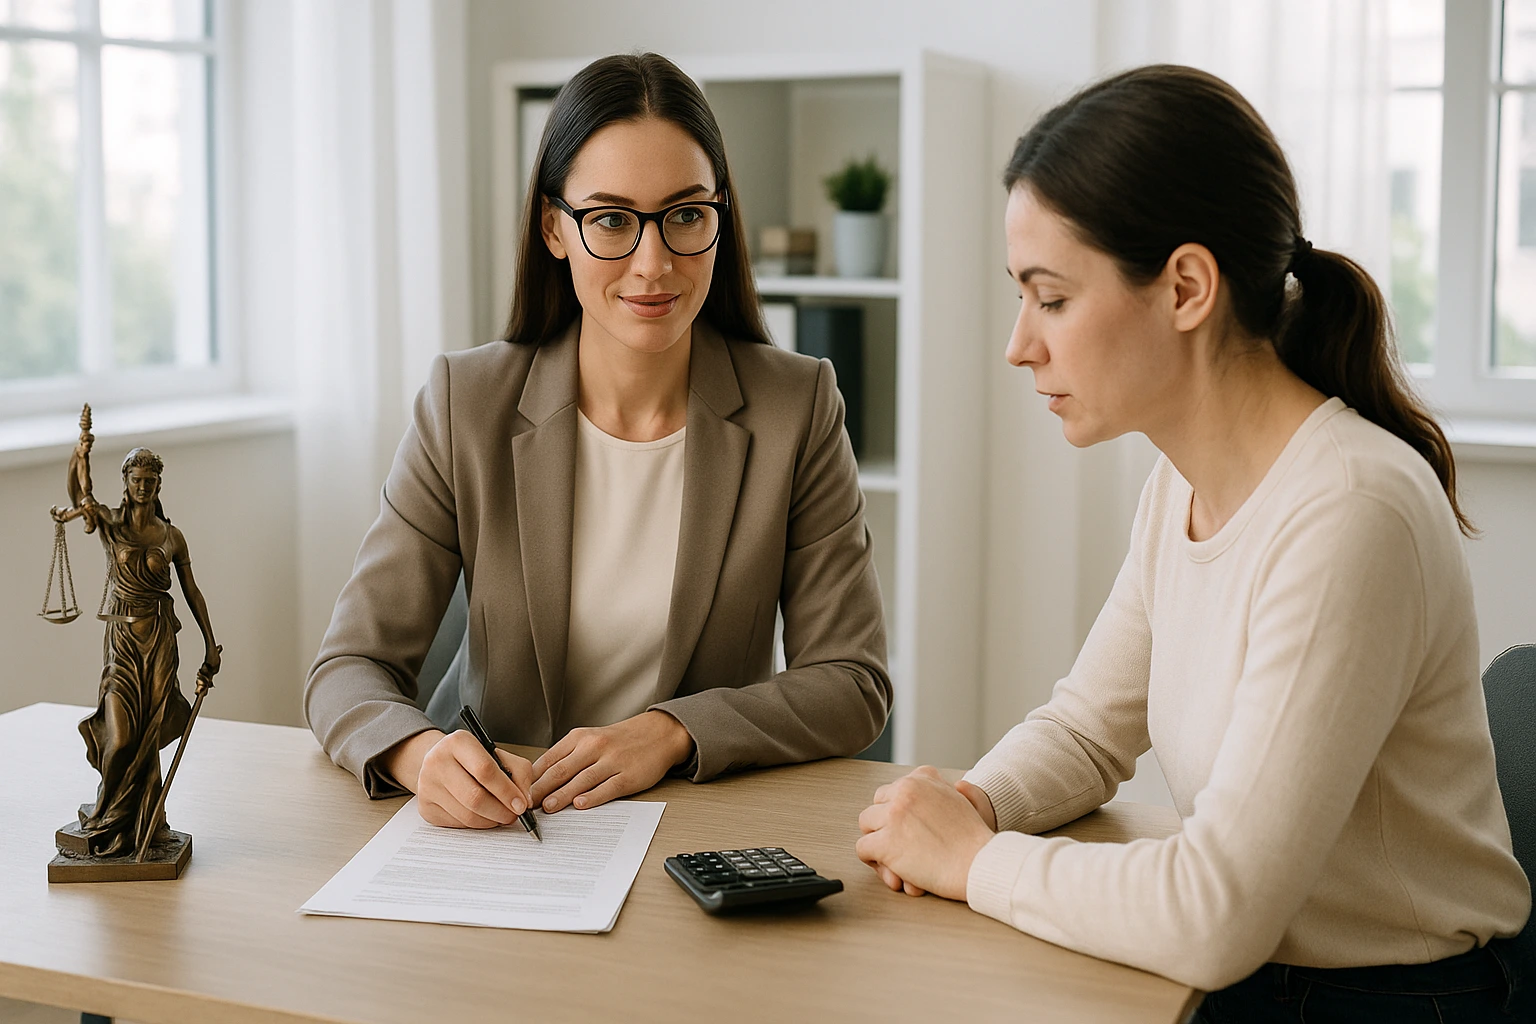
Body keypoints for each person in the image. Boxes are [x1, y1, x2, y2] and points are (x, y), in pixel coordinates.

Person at [854, 65, 1530, 1020]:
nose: (1019, 344)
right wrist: (978, 804)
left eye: (1050, 298)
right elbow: (1089, 730)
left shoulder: (1349, 511)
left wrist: (976, 861)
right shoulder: (1184, 481)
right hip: (1261, 979)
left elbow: (1215, 913)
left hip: (1390, 1001)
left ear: (1185, 287)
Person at [305, 52, 889, 829]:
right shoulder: (465, 402)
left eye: (685, 215)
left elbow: (852, 682)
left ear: (721, 216)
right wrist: (420, 755)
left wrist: (674, 732)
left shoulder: (797, 407)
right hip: (510, 833)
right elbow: (347, 669)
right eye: (611, 219)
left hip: (696, 830)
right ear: (555, 228)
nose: (654, 264)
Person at [51, 447, 221, 856]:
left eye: (150, 481)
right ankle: (107, 815)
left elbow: (192, 592)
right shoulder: (110, 523)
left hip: (161, 641)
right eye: (136, 480)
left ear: (158, 485)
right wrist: (80, 455)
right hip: (123, 645)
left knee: (149, 734)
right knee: (123, 737)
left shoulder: (171, 536)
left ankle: (147, 822)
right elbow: (80, 497)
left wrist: (209, 645)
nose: (143, 487)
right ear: (126, 483)